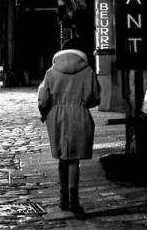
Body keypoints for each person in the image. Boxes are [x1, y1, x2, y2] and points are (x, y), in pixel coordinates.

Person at [37, 39, 101, 218]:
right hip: (79, 115)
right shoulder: (88, 71)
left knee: (62, 157)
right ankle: (74, 200)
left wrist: (45, 113)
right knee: (74, 159)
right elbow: (95, 98)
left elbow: (43, 100)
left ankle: (63, 196)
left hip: (56, 117)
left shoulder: (51, 72)